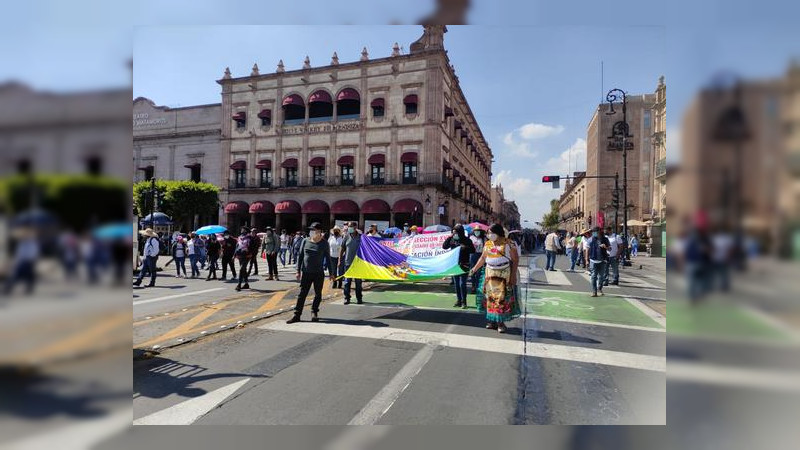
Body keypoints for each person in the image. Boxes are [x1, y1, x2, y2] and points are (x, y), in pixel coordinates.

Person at [469, 224, 521, 333]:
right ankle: (491, 321)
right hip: (489, 273)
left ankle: (500, 323)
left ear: (498, 233)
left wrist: (513, 276)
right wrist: (474, 269)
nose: (489, 235)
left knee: (501, 299)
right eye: (488, 233)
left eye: (492, 232)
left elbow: (515, 260)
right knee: (489, 298)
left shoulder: (509, 243)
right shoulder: (487, 244)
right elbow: (483, 258)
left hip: (503, 274)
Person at [286, 223, 334, 323]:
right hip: (306, 273)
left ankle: (314, 312)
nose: (312, 231)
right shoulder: (305, 241)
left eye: (314, 230)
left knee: (318, 294)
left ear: (319, 231)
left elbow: (328, 259)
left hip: (318, 273)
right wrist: (298, 271)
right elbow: (300, 256)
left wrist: (331, 273)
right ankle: (297, 315)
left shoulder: (324, 243)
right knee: (302, 294)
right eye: (311, 230)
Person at [443, 224, 476, 308]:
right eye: (453, 232)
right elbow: (444, 246)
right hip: (455, 265)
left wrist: (465, 247)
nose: (455, 234)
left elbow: (472, 250)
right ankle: (458, 300)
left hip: (464, 264)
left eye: (456, 232)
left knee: (462, 284)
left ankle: (464, 301)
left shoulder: (467, 240)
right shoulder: (453, 240)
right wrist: (450, 237)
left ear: (460, 232)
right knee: (457, 284)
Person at [340, 221, 363, 304]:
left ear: (355, 227)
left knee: (358, 283)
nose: (349, 228)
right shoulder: (346, 236)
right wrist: (340, 260)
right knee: (347, 282)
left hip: (358, 264)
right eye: (348, 226)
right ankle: (347, 298)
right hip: (348, 263)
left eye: (350, 226)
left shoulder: (361, 237)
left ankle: (359, 298)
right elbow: (342, 248)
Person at [584, 227, 610, 297]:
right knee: (593, 276)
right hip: (593, 260)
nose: (594, 233)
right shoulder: (590, 239)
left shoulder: (605, 239)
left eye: (595, 232)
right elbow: (587, 250)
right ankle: (594, 291)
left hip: (602, 260)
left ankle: (600, 287)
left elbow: (610, 248)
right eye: (593, 232)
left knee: (601, 277)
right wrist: (586, 260)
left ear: (599, 232)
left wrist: (606, 247)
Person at [469, 227, 486, 293]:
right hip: (473, 255)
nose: (477, 232)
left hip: (480, 255)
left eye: (478, 231)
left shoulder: (483, 238)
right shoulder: (471, 238)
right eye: (475, 231)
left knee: (479, 272)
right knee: (473, 271)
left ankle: (477, 286)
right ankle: (473, 286)